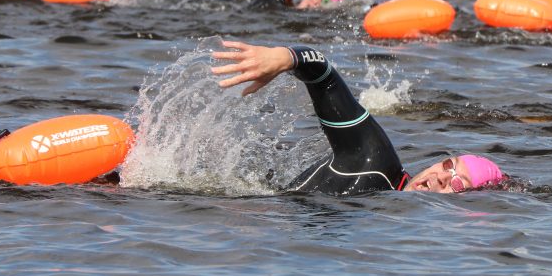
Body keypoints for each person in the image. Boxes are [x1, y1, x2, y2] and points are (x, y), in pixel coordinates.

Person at [210, 40, 507, 195]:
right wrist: (285, 58)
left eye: (456, 186)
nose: (441, 177)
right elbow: (323, 75)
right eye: (447, 166)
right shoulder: (375, 161)